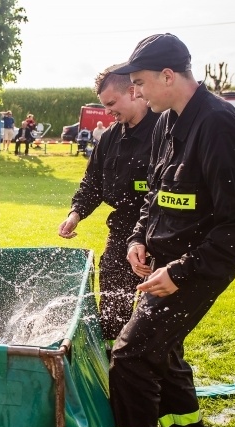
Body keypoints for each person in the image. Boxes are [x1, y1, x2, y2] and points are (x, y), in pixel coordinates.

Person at [107, 33, 235, 427]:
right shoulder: (165, 122)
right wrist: (138, 238)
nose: (135, 94)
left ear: (169, 76)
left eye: (139, 84)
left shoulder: (217, 124)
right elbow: (155, 195)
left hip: (197, 271)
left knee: (131, 358)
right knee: (162, 352)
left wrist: (179, 272)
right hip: (165, 263)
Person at [57, 66, 159, 352]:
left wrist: (144, 240)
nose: (108, 112)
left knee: (155, 317)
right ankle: (113, 363)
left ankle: (152, 370)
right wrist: (75, 214)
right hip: (121, 230)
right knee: (113, 308)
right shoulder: (110, 137)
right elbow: (92, 182)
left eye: (112, 105)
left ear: (133, 91)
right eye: (104, 106)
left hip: (160, 228)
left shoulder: (163, 130)